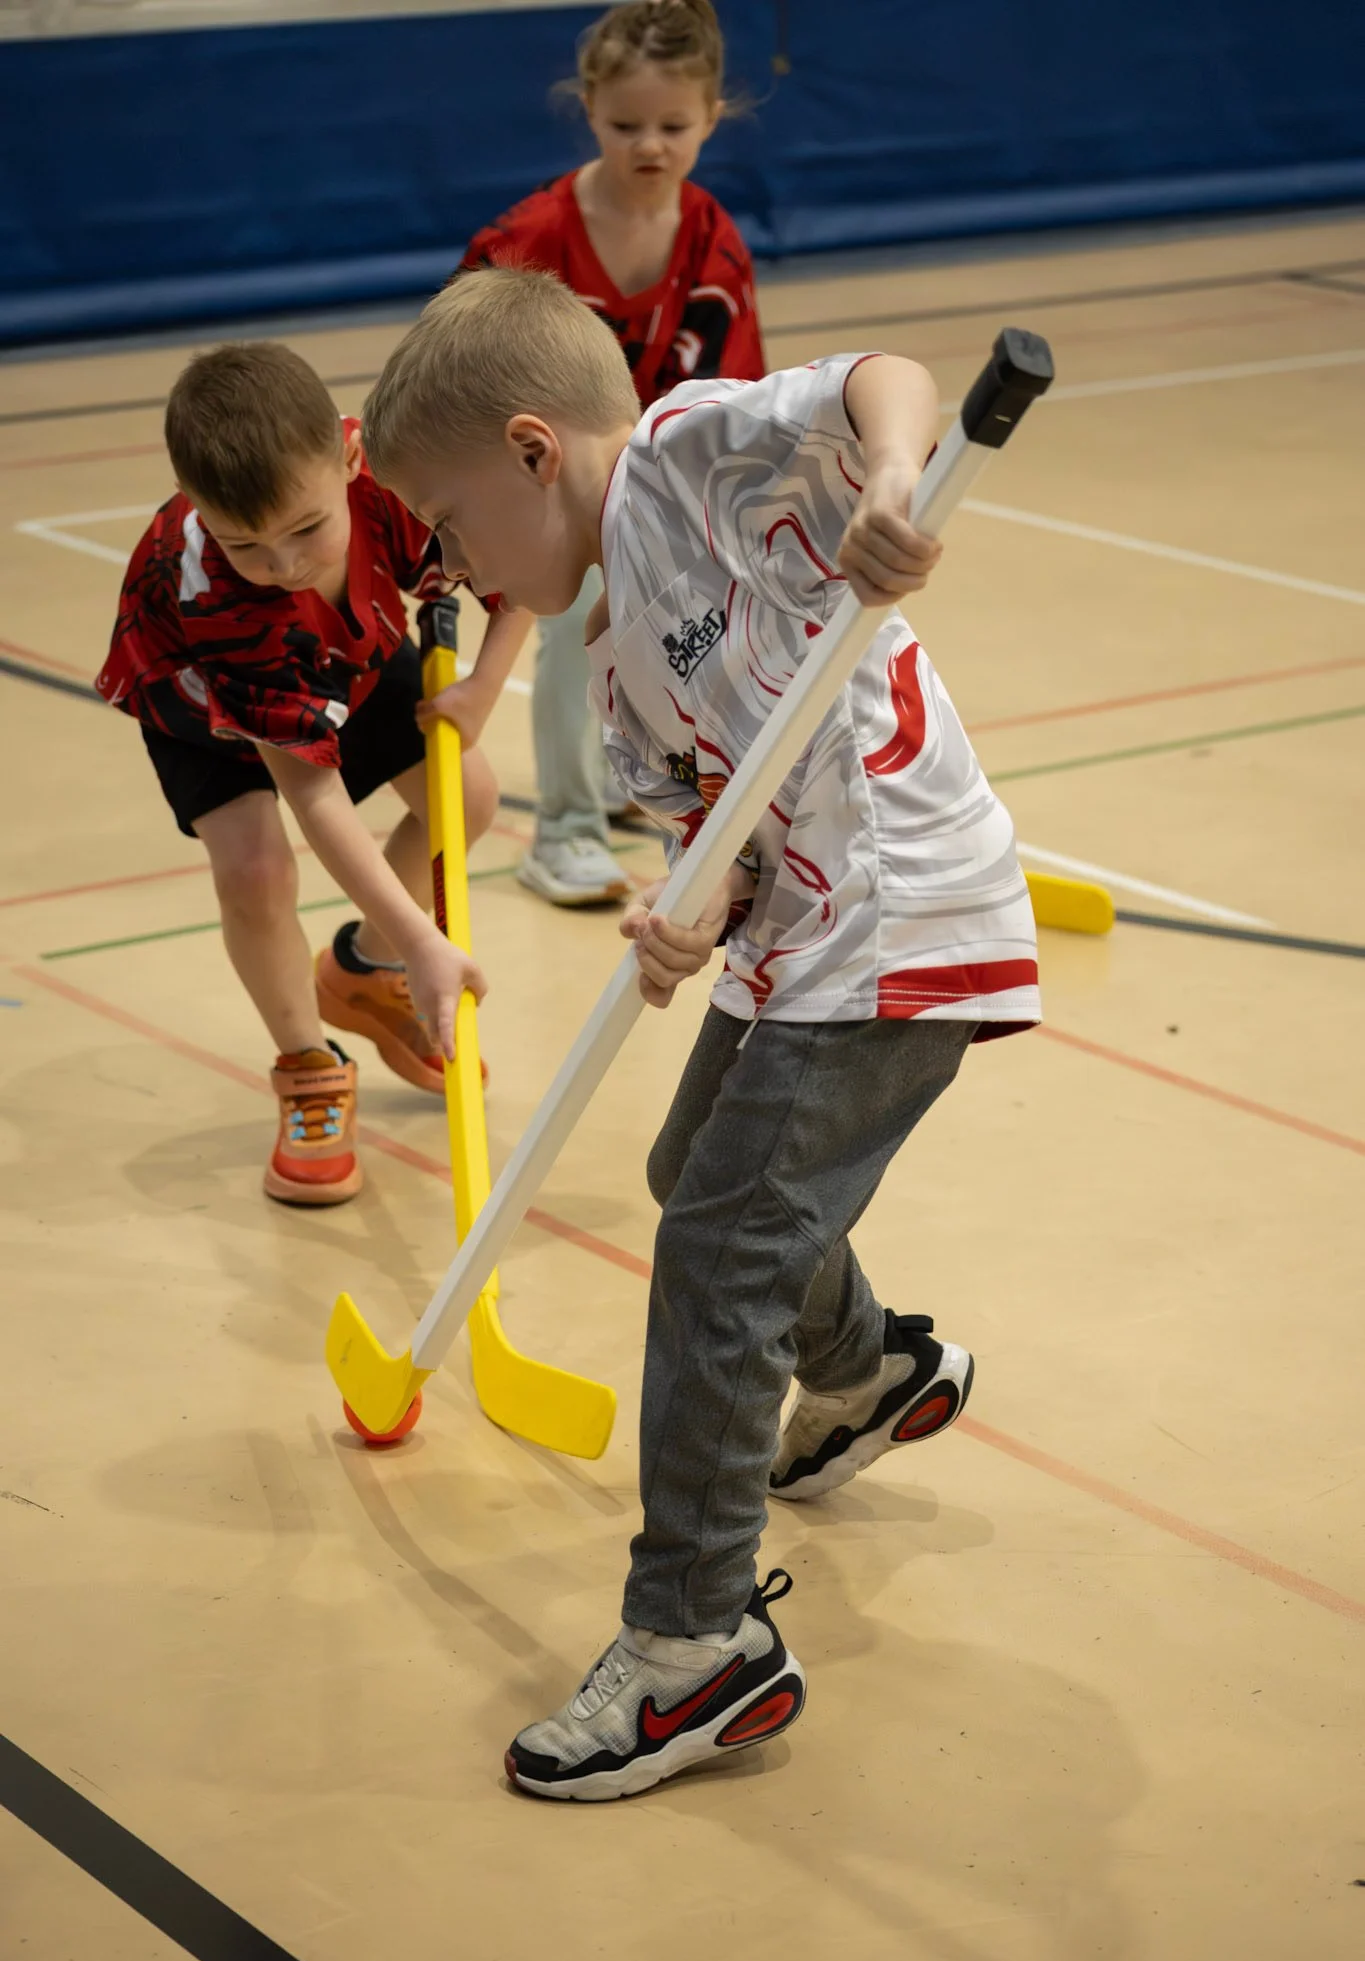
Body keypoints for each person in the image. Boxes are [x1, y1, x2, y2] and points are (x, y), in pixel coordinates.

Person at [361, 267, 1041, 1800]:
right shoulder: (612, 663)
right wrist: (695, 904)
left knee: (722, 1249)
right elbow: (718, 835)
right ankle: (869, 1372)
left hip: (896, 901)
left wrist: (886, 481)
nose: (452, 565)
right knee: (696, 1178)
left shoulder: (678, 458)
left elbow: (884, 376)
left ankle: (692, 1645)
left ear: (534, 450)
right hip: (799, 925)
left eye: (451, 524)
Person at [96, 341, 522, 1205]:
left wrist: (483, 684)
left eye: (305, 530)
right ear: (198, 509)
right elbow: (313, 793)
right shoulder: (219, 594)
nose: (285, 564)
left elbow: (514, 570)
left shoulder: (398, 478)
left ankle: (359, 969)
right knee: (256, 873)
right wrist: (425, 941)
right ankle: (307, 1064)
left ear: (351, 460)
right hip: (203, 696)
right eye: (245, 543)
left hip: (344, 649)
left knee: (469, 798)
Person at [441, 0, 764, 908]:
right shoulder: (526, 243)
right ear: (587, 109)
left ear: (712, 116)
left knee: (686, 620)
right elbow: (456, 376)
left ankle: (634, 778)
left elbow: (731, 401)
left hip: (649, 485)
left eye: (674, 126)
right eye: (625, 126)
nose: (649, 145)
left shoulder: (711, 239)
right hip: (526, 483)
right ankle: (564, 832)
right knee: (571, 617)